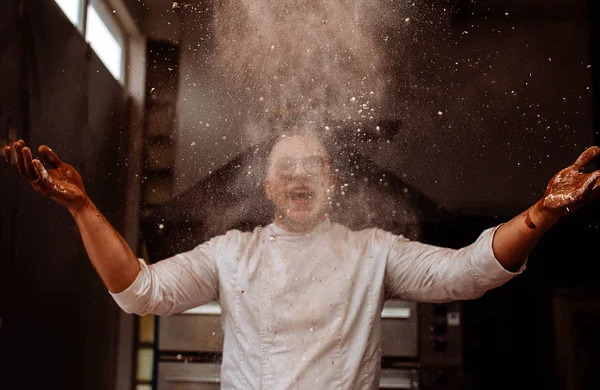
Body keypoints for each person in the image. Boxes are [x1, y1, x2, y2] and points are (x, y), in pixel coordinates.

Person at [3, 134, 600, 389]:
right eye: (284, 167)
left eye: (311, 164)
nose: (297, 175)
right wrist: (82, 207)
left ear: (332, 182)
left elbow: (467, 273)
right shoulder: (233, 253)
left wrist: (539, 216)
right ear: (267, 187)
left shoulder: (372, 251)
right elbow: (139, 291)